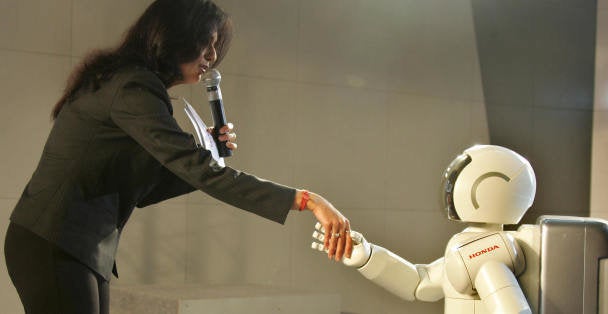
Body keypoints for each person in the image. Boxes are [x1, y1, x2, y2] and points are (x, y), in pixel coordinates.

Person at [3, 1, 353, 313]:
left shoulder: (130, 81)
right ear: (175, 38)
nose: (212, 58)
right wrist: (306, 200)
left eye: (216, 47)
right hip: (55, 242)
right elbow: (198, 172)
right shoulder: (134, 87)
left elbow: (146, 189)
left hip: (72, 246)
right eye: (207, 44)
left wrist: (208, 155)